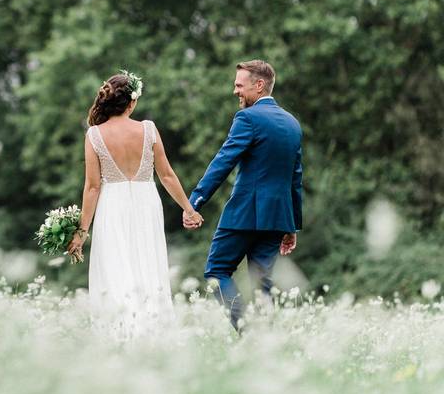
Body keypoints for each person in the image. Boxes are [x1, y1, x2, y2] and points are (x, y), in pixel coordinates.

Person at [67, 71, 202, 334]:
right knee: (148, 266)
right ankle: (152, 331)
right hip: (146, 204)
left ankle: (121, 334)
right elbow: (166, 175)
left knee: (115, 268)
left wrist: (81, 233)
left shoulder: (94, 135)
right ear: (132, 102)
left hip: (112, 207)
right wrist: (189, 208)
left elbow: (93, 187)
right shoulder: (148, 129)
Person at [185, 60, 303, 330]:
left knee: (217, 271)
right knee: (262, 284)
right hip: (277, 217)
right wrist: (291, 224)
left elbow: (223, 162)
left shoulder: (247, 118)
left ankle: (248, 331)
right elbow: (295, 177)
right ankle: (264, 345)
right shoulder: (292, 124)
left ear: (259, 85)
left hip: (244, 212)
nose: (235, 91)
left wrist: (194, 202)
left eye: (239, 85)